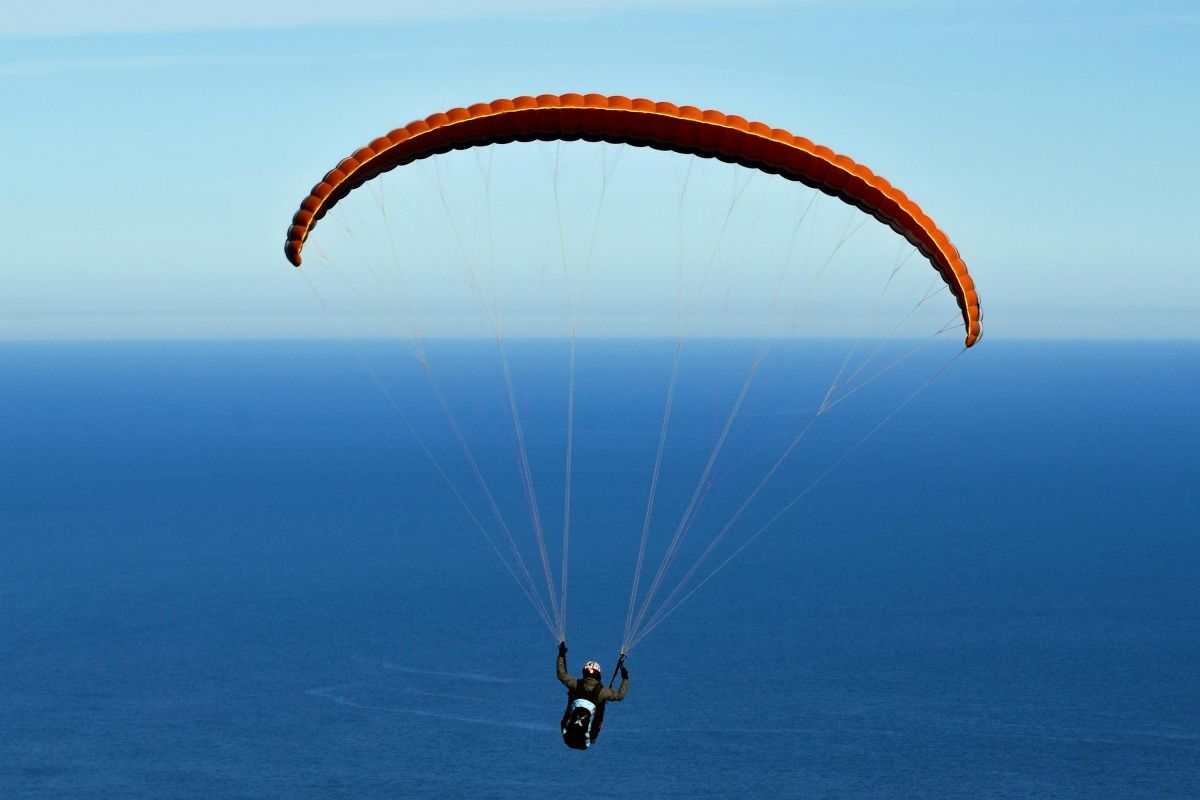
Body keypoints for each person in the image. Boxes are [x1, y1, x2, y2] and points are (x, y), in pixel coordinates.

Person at [556, 641, 628, 750]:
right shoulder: (603, 692)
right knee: (600, 705)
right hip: (585, 742)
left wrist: (561, 655)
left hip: (568, 736)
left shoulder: (575, 684)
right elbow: (619, 695)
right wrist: (625, 679)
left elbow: (561, 675)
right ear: (598, 675)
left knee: (572, 696)